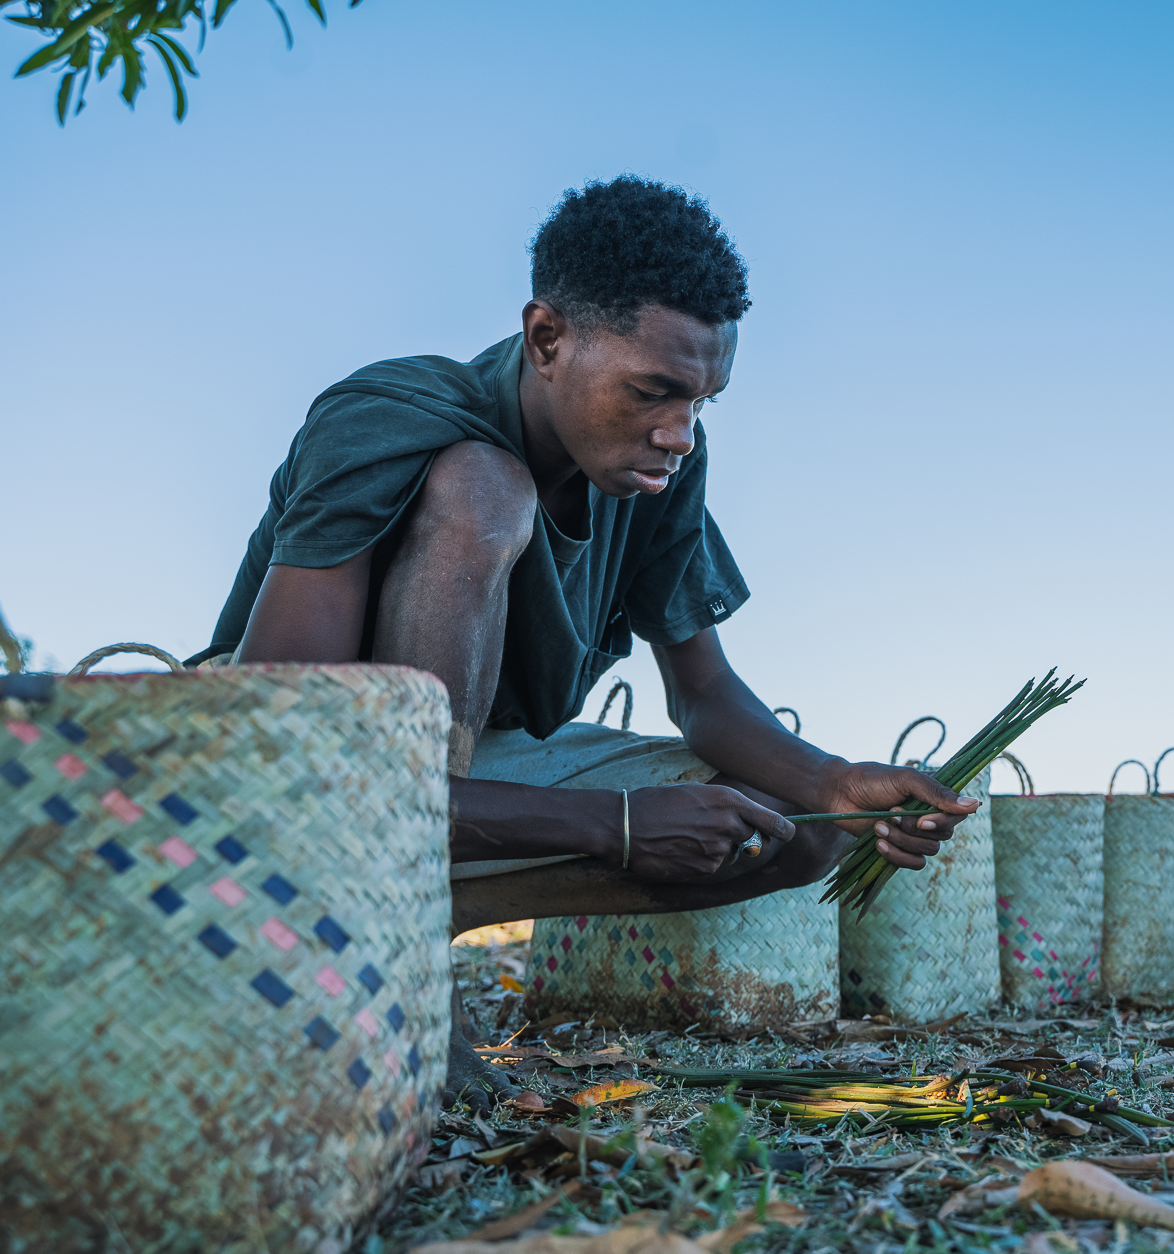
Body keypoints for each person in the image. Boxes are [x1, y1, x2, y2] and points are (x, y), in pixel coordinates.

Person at [194, 176, 976, 1109]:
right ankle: (389, 954)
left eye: (703, 402)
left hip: (467, 778)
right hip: (289, 773)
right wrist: (619, 825)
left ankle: (426, 915)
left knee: (787, 828)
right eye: (653, 392)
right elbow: (285, 745)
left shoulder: (657, 468)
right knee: (484, 487)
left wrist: (836, 786)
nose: (678, 433)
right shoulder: (388, 415)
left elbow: (703, 694)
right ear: (547, 340)